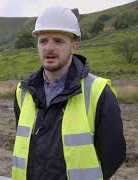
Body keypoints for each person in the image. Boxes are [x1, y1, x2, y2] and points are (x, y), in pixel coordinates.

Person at [11, 6, 126, 180]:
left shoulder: (99, 92)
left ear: (74, 46)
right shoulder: (23, 92)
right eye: (43, 41)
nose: (49, 48)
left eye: (58, 41)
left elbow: (114, 155)